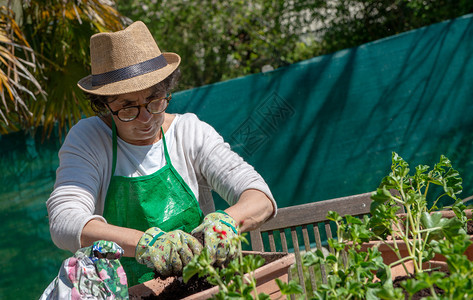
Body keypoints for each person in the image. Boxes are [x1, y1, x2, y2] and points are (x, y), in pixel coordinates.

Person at [46, 21, 276, 286]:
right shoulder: (89, 139)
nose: (145, 118)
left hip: (202, 285)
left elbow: (259, 196)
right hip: (123, 290)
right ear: (104, 106)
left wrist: (227, 221)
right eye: (127, 107)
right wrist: (145, 244)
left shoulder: (189, 132)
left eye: (155, 100)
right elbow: (65, 221)